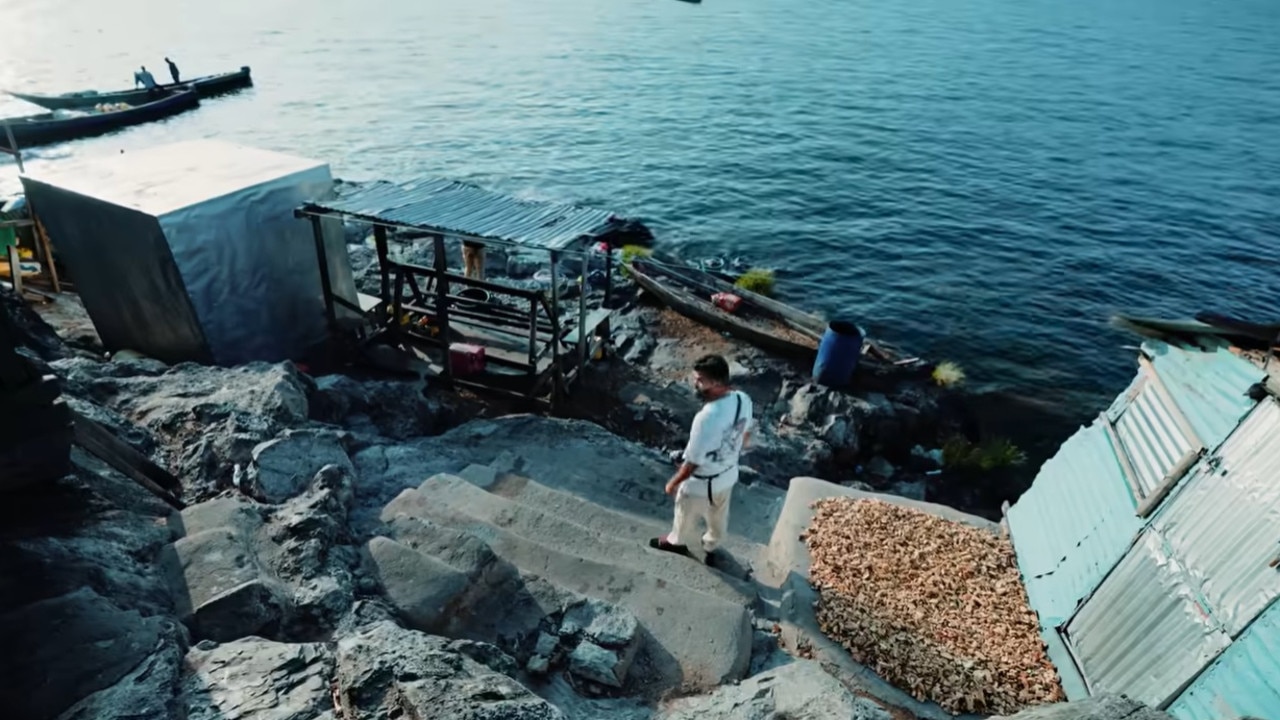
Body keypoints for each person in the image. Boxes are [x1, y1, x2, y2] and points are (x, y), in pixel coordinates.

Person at [650, 354, 753, 567]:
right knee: (719, 515)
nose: (695, 384)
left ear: (715, 383)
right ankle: (711, 545)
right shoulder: (743, 399)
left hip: (701, 484)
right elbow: (745, 433)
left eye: (700, 380)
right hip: (728, 474)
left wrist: (674, 482)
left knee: (683, 512)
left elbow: (692, 462)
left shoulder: (707, 417)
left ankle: (676, 542)